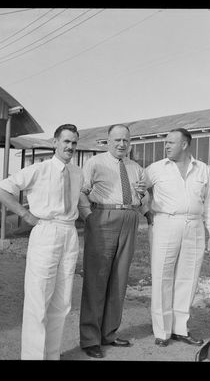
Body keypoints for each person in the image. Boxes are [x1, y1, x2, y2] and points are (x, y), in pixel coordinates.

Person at [0, 124, 86, 360]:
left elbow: (80, 202)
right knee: (38, 299)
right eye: (66, 141)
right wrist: (25, 215)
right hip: (45, 232)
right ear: (55, 142)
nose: (70, 147)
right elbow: (2, 190)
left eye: (74, 143)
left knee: (62, 301)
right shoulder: (38, 169)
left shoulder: (77, 172)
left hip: (69, 233)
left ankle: (52, 355)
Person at [144, 128, 210, 347]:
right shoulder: (156, 169)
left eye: (170, 143)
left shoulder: (202, 169)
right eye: (165, 142)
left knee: (188, 277)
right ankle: (162, 330)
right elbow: (138, 190)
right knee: (162, 276)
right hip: (166, 223)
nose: (166, 146)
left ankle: (180, 328)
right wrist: (146, 212)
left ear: (185, 144)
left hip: (194, 225)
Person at [78, 124, 149, 359]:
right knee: (97, 278)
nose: (122, 144)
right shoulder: (94, 163)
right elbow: (81, 191)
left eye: (126, 140)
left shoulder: (137, 168)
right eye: (117, 140)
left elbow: (142, 200)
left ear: (130, 142)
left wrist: (142, 195)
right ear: (107, 141)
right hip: (102, 217)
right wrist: (88, 216)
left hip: (129, 218)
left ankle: (109, 333)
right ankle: (90, 338)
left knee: (119, 278)